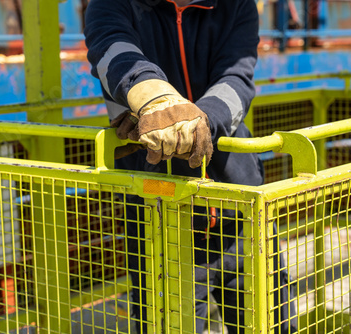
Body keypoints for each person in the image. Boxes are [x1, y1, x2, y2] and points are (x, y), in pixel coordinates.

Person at [84, 0, 297, 333]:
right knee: (166, 324)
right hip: (157, 205)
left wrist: (203, 122)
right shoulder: (112, 4)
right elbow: (114, 54)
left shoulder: (236, 4)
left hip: (237, 200)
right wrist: (152, 97)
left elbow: (235, 80)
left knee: (271, 319)